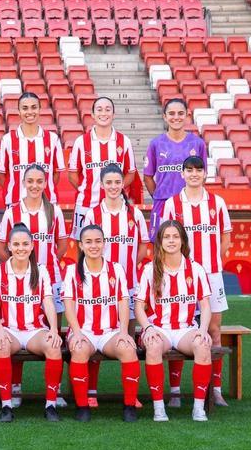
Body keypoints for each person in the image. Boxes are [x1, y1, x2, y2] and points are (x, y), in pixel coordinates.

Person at [0, 164, 69, 408]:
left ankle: (54, 392)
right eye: (30, 181)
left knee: (53, 333)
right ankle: (15, 387)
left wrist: (43, 269)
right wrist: (20, 269)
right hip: (20, 281)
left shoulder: (54, 210)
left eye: (39, 181)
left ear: (46, 183)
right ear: (23, 183)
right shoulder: (12, 212)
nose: (35, 185)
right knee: (15, 324)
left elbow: (63, 245)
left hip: (51, 280)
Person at [160, 156, 232, 407]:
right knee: (177, 326)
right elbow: (165, 239)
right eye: (189, 170)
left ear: (205, 174)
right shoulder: (172, 204)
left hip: (211, 274)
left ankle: (216, 389)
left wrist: (213, 264)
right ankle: (176, 392)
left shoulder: (217, 203)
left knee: (214, 329)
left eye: (198, 170)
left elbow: (225, 238)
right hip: (181, 274)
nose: (194, 174)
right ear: (182, 174)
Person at [76, 163, 149, 407]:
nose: (114, 186)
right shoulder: (93, 214)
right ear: (102, 184)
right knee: (95, 329)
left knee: (126, 337)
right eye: (109, 182)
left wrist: (126, 269)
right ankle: (92, 392)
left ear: (123, 184)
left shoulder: (134, 214)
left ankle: (131, 393)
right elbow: (85, 247)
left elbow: (142, 247)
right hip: (97, 286)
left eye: (118, 182)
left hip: (126, 285)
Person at [135, 220, 215, 422]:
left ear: (183, 241)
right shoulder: (150, 270)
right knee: (152, 347)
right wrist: (148, 328)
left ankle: (198, 408)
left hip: (185, 329)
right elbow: (139, 307)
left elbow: (205, 305)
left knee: (203, 345)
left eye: (175, 236)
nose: (171, 241)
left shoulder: (195, 269)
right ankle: (159, 407)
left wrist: (203, 329)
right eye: (167, 237)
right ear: (160, 241)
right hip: (159, 328)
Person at [63, 224, 141, 423]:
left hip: (110, 332)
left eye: (98, 241)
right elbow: (69, 305)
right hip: (84, 331)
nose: (94, 246)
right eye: (88, 242)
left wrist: (124, 332)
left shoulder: (116, 269)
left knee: (128, 349)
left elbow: (124, 302)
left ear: (104, 243)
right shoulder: (72, 271)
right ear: (80, 245)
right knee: (79, 349)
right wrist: (77, 332)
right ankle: (82, 406)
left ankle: (129, 405)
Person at [0, 224, 64, 423]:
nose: (21, 248)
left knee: (54, 346)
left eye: (25, 244)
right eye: (16, 244)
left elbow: (48, 303)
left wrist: (54, 330)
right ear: (9, 247)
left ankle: (51, 405)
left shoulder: (41, 271)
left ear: (32, 246)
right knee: (2, 345)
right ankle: (6, 405)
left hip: (34, 330)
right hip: (9, 330)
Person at [67, 96, 140, 235]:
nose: (103, 113)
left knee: (113, 243)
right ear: (93, 115)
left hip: (115, 206)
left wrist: (115, 188)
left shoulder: (124, 141)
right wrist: (86, 189)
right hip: (86, 205)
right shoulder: (81, 142)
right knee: (82, 244)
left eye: (108, 110)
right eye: (99, 110)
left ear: (113, 114)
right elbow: (72, 175)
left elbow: (130, 173)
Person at [143, 97, 206, 239]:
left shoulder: (197, 144)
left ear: (187, 115)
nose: (176, 117)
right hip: (162, 203)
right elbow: (147, 176)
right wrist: (158, 195)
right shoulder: (156, 144)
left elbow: (203, 175)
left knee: (189, 245)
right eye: (171, 113)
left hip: (189, 203)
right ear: (164, 116)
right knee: (160, 247)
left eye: (180, 113)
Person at [0, 92, 66, 207]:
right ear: (19, 111)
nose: (29, 112)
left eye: (34, 107)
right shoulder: (7, 140)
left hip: (47, 203)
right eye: (25, 108)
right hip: (16, 203)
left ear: (39, 110)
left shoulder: (53, 139)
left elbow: (55, 175)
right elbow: (0, 175)